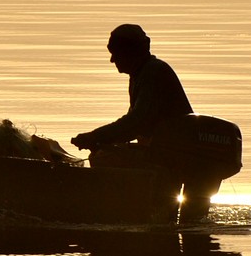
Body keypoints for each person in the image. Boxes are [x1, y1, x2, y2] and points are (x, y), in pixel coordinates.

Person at [71, 24, 215, 221]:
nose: (112, 59)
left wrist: (95, 137)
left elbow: (136, 122)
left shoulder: (153, 73)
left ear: (131, 52)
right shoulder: (142, 74)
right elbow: (137, 124)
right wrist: (105, 140)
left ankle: (117, 213)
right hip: (169, 156)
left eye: (115, 53)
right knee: (177, 221)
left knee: (104, 158)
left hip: (174, 158)